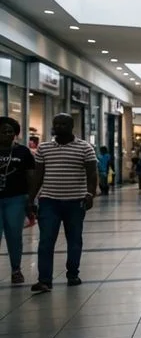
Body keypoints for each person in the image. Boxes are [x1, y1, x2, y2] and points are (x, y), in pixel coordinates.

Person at [27, 114, 98, 293]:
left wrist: (90, 194)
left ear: (71, 126)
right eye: (56, 123)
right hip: (49, 201)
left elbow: (92, 174)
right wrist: (31, 199)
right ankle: (44, 280)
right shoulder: (44, 148)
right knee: (45, 241)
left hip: (75, 202)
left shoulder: (85, 148)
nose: (59, 126)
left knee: (74, 240)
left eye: (63, 123)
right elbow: (38, 176)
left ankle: (72, 273)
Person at [0, 117, 36, 284]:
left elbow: (30, 176)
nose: (7, 134)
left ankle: (16, 270)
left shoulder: (23, 152)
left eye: (10, 132)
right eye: (3, 131)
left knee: (14, 235)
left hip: (16, 198)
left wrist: (31, 199)